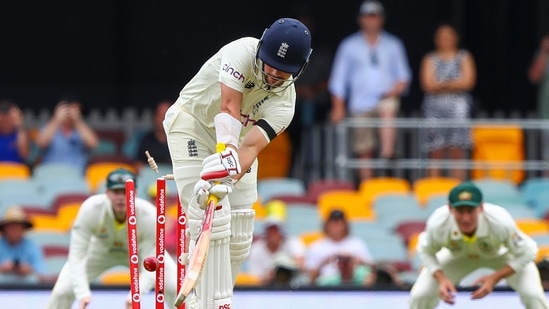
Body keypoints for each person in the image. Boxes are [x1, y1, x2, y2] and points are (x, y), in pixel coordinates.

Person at [163, 17, 312, 308]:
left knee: (241, 226)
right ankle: (196, 298)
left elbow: (251, 146)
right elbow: (229, 107)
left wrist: (228, 176)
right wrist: (223, 158)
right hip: (191, 124)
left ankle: (218, 300)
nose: (272, 73)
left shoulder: (285, 105)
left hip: (239, 144)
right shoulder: (241, 51)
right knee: (203, 208)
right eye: (269, 63)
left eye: (282, 72)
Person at [46, 168, 179, 309]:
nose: (121, 197)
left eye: (125, 192)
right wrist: (82, 293)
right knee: (62, 292)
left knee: (175, 286)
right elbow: (77, 255)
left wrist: (135, 297)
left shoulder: (150, 215)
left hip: (139, 252)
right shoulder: (90, 209)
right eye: (116, 192)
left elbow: (152, 263)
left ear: (136, 193)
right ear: (107, 193)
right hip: (100, 250)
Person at [409, 182, 549, 309]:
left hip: (500, 255)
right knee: (420, 296)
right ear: (450, 208)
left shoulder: (499, 220)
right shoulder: (438, 222)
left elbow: (529, 251)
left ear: (481, 207)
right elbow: (425, 251)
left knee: (534, 295)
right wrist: (442, 279)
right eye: (460, 211)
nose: (466, 218)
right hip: (456, 257)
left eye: (470, 211)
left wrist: (494, 278)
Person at [328, 0, 411, 181]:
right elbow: (338, 80)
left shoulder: (394, 45)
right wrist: (338, 107)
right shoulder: (348, 45)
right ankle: (368, 187)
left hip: (385, 99)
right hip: (360, 104)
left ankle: (388, 153)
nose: (371, 20)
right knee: (364, 149)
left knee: (389, 107)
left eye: (375, 16)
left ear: (381, 19)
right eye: (368, 16)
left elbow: (403, 77)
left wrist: (393, 90)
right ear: (360, 19)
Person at [419, 23, 476, 180]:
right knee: (435, 150)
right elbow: (427, 84)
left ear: (455, 38)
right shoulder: (430, 58)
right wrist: (453, 83)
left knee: (457, 150)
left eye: (448, 36)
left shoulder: (464, 57)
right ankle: (433, 187)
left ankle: (458, 186)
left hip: (458, 109)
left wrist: (441, 84)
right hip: (434, 109)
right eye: (441, 36)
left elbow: (468, 82)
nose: (444, 40)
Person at [304, 209, 373, 285]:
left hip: (354, 281)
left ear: (345, 225)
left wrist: (356, 260)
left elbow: (371, 268)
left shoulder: (357, 243)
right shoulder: (316, 246)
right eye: (333, 223)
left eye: (339, 223)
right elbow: (311, 277)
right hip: (328, 283)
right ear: (327, 225)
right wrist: (324, 262)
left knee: (366, 275)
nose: (336, 226)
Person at [35, 95, 99, 172]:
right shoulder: (48, 127)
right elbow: (41, 143)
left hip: (75, 176)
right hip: (51, 175)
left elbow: (93, 144)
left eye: (74, 108)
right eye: (66, 108)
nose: (69, 112)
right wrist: (56, 119)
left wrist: (78, 120)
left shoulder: (82, 129)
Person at [248, 214, 306, 286]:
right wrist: (270, 277)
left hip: (293, 285)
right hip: (266, 289)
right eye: (270, 231)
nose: (273, 235)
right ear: (265, 233)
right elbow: (256, 280)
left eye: (276, 231)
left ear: (282, 232)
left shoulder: (293, 242)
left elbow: (300, 264)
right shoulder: (256, 250)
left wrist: (287, 267)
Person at [0, 205, 45, 284]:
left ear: (23, 228)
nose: (14, 229)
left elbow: (42, 278)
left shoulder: (32, 246)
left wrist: (30, 269)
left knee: (32, 280)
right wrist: (2, 269)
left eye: (18, 226)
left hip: (26, 290)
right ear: (5, 228)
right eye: (11, 226)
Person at [528, 32, 549, 168]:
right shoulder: (542, 56)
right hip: (546, 111)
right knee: (547, 153)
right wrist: (543, 51)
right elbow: (534, 77)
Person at [134, 100, 172, 173]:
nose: (163, 119)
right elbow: (138, 164)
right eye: (160, 115)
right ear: (154, 117)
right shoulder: (145, 141)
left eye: (166, 115)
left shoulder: (180, 140)